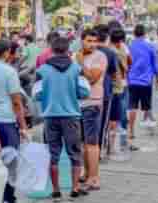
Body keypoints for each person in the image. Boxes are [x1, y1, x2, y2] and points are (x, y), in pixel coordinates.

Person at [35, 37, 90, 201]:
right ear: (68, 50)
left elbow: (36, 94)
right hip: (71, 116)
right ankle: (74, 189)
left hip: (50, 117)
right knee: (75, 153)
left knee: (53, 154)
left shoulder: (42, 70)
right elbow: (85, 92)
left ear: (51, 50)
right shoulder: (76, 69)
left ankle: (56, 191)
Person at [0, 39, 28, 203]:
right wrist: (23, 126)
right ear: (6, 53)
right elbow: (16, 102)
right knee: (9, 164)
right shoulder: (9, 72)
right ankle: (7, 198)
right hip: (5, 122)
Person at [76, 29, 107, 190]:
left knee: (92, 143)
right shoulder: (77, 55)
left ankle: (94, 178)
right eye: (89, 40)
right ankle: (86, 173)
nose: (92, 44)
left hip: (92, 103)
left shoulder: (99, 57)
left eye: (94, 41)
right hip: (78, 104)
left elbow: (93, 79)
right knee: (82, 143)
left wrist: (80, 63)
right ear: (81, 40)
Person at [128, 24, 158, 149]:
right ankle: (150, 129)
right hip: (146, 81)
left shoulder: (130, 47)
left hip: (132, 81)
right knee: (147, 106)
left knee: (132, 107)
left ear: (134, 33)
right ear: (144, 34)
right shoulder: (150, 46)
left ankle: (131, 131)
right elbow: (155, 65)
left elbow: (127, 63)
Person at [92, 24, 118, 158]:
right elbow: (114, 74)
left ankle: (89, 150)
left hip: (87, 94)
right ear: (107, 38)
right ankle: (99, 152)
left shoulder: (87, 51)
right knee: (102, 123)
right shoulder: (110, 53)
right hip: (105, 92)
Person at [108, 27, 131, 155]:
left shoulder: (108, 49)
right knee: (121, 114)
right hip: (120, 84)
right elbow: (129, 62)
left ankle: (114, 142)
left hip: (112, 85)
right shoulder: (123, 48)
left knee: (113, 115)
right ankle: (121, 141)